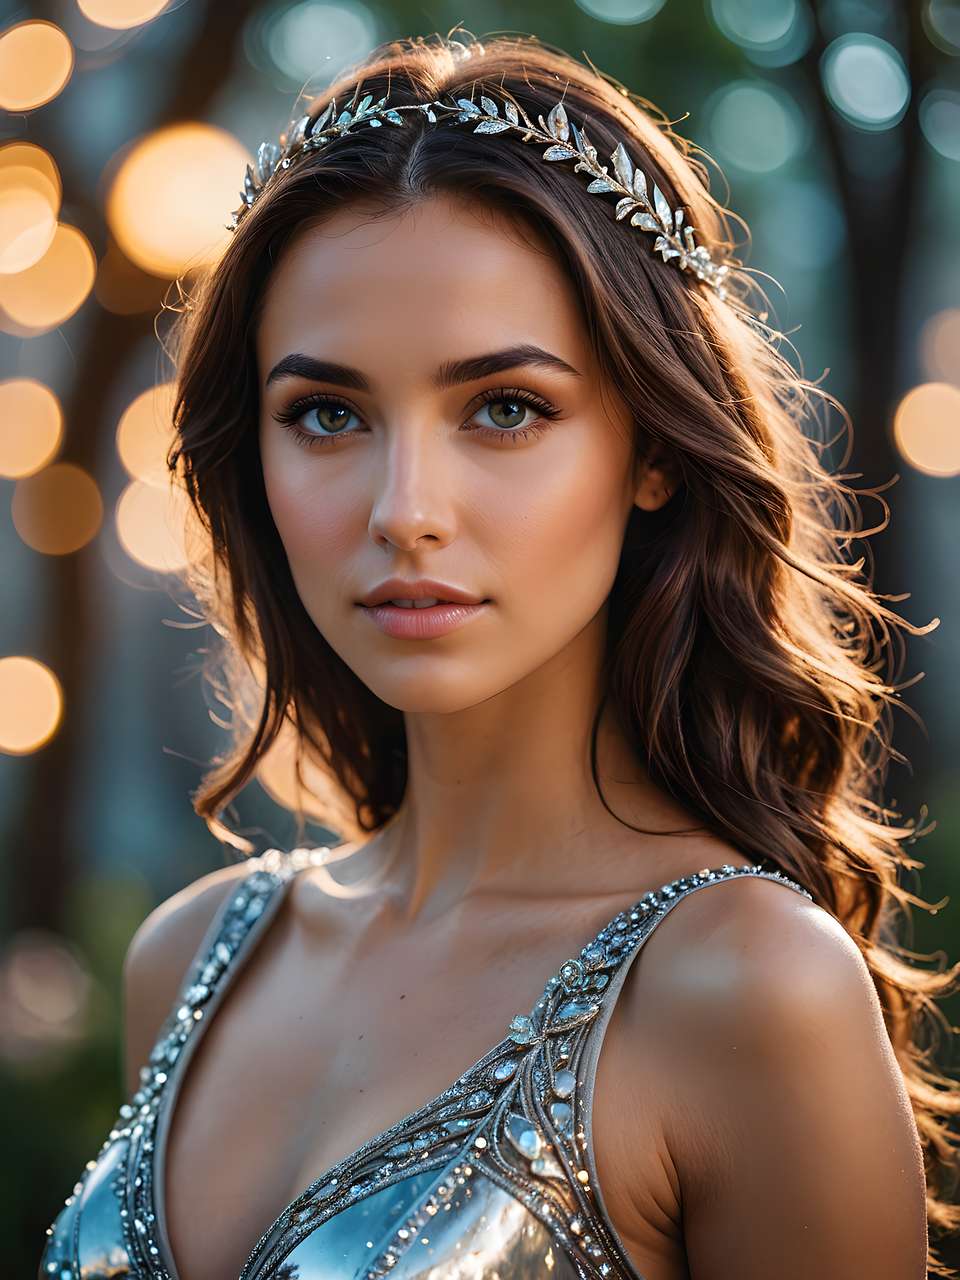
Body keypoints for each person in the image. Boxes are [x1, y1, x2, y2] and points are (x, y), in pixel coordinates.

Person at [40, 29, 957, 1280]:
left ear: (650, 452)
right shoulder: (193, 954)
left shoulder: (745, 987)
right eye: (327, 413)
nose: (404, 506)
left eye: (505, 408)